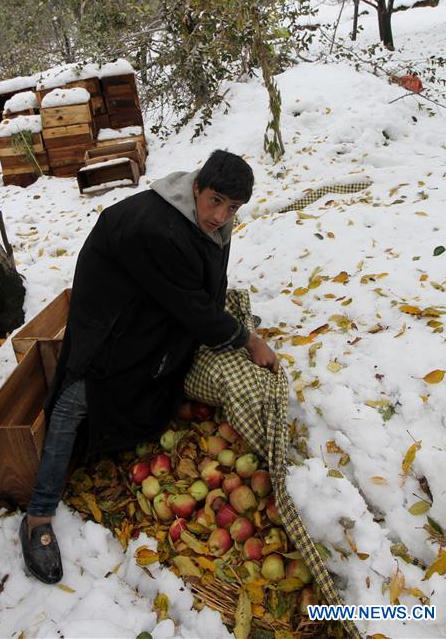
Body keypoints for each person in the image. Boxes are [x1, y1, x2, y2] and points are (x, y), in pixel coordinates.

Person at [20, 149, 277, 583]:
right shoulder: (158, 229)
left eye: (232, 208)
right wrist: (244, 339)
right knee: (78, 395)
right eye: (215, 201)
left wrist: (220, 317)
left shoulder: (208, 220)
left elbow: (204, 284)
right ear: (196, 187)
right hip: (110, 316)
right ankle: (38, 515)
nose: (221, 216)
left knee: (158, 370)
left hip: (149, 300)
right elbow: (191, 304)